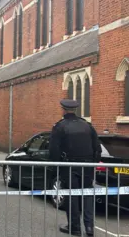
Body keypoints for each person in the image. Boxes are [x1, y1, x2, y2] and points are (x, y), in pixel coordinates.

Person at [49, 99, 101, 237]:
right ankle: (89, 228)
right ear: (76, 110)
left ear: (63, 110)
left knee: (72, 196)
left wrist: (58, 166)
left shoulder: (60, 126)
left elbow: (54, 150)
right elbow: (98, 148)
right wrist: (92, 164)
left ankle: (75, 227)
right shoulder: (87, 126)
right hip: (87, 166)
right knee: (87, 196)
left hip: (69, 166)